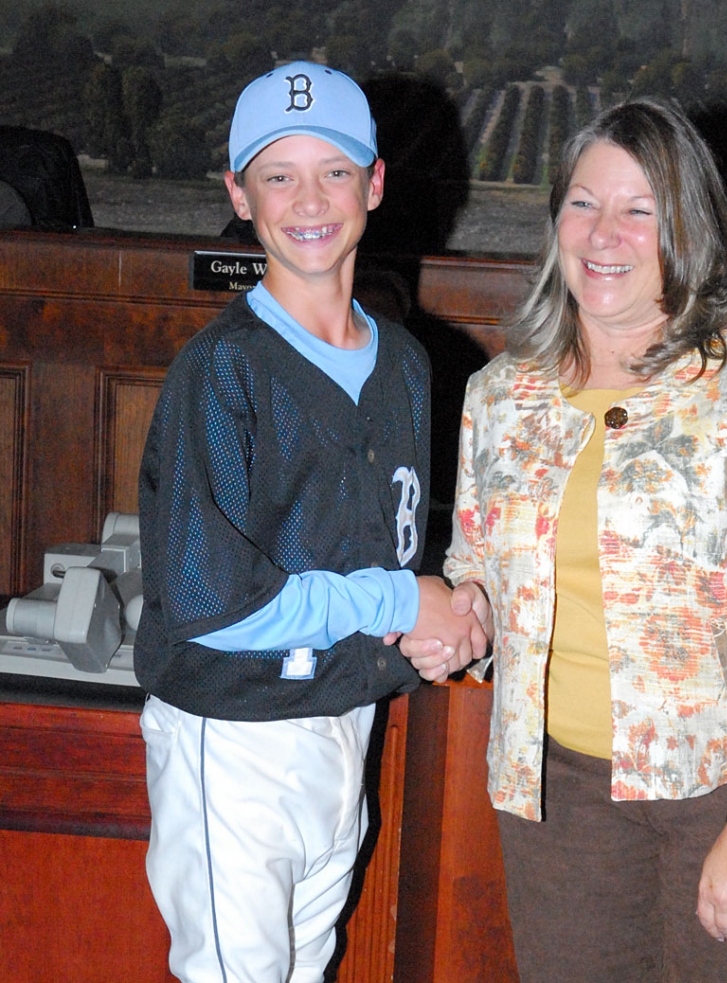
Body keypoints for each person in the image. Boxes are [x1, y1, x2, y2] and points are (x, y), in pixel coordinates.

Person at [423, 100, 727, 982]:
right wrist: (455, 611)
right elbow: (477, 565)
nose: (604, 233)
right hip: (564, 796)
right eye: (583, 203)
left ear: (689, 230)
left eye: (640, 209)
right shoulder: (501, 394)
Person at [134, 61, 485, 983]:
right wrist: (400, 599)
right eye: (276, 175)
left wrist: (443, 624)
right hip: (236, 731)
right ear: (238, 196)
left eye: (334, 170)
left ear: (374, 183)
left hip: (344, 722)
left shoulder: (406, 363)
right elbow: (210, 603)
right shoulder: (222, 371)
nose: (308, 200)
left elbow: (395, 556)